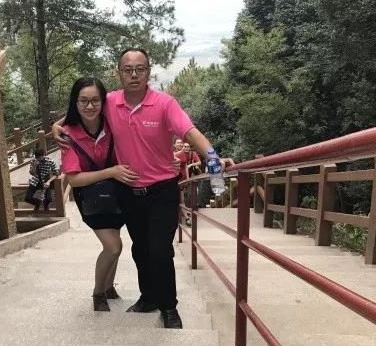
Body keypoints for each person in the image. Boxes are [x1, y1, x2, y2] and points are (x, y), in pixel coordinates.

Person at [54, 47, 232, 329]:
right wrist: (57, 127)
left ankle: (169, 307)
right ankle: (148, 298)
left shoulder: (165, 104)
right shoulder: (110, 101)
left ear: (149, 72)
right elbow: (82, 112)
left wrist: (211, 156)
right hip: (128, 191)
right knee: (140, 249)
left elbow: (189, 132)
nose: (134, 75)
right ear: (119, 73)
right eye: (128, 70)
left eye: (140, 69)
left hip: (162, 189)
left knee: (160, 249)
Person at [60, 77, 139, 312]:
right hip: (91, 198)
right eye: (83, 101)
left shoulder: (111, 123)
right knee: (113, 246)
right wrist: (111, 172)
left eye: (95, 100)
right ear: (75, 103)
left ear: (103, 102)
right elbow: (74, 179)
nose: (90, 106)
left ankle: (109, 287)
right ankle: (98, 293)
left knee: (115, 241)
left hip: (116, 193)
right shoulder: (67, 135)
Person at [24, 146, 58, 212]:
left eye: (40, 157)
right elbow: (32, 173)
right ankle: (38, 203)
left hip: (46, 180)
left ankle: (46, 205)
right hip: (36, 180)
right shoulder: (34, 161)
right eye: (37, 157)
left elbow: (56, 174)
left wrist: (49, 181)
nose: (39, 159)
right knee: (27, 198)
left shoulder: (50, 161)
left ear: (44, 155)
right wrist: (35, 165)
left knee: (48, 199)